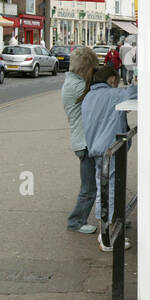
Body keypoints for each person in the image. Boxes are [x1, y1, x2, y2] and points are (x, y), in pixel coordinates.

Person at [81, 65, 138, 252]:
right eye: (116, 81)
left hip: (96, 149)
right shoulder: (113, 95)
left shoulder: (89, 96)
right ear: (112, 80)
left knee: (102, 190)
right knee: (111, 190)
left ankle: (105, 229)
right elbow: (135, 91)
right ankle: (108, 237)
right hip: (111, 149)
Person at [61, 47, 100, 235]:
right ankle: (75, 221)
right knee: (89, 188)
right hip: (84, 142)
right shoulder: (77, 87)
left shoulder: (72, 81)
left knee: (93, 185)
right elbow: (99, 96)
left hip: (83, 140)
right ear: (86, 69)